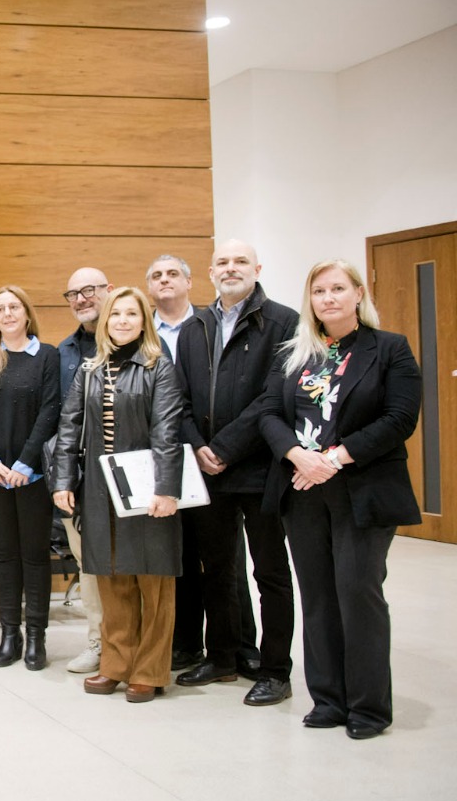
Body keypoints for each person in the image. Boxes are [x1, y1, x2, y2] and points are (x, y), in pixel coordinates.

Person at [258, 259, 420, 740]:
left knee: (357, 593)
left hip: (361, 490)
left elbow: (399, 419)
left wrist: (333, 459)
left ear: (357, 294)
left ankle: (369, 707)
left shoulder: (388, 349)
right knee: (319, 597)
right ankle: (328, 699)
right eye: (319, 291)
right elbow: (268, 412)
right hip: (302, 490)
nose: (328, 298)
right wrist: (296, 455)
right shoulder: (295, 353)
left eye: (337, 289)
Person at [174, 241, 300, 707]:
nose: (231, 269)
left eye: (240, 261)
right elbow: (180, 398)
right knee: (218, 570)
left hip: (260, 466)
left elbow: (275, 395)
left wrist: (224, 447)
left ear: (257, 269)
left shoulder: (284, 321)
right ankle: (223, 656)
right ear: (210, 272)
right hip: (207, 470)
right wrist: (200, 446)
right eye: (223, 263)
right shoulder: (194, 327)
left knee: (269, 571)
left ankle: (274, 669)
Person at [51, 286, 184, 703]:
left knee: (153, 579)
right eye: (115, 315)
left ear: (144, 320)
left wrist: (166, 488)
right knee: (111, 576)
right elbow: (69, 426)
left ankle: (149, 670)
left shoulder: (159, 366)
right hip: (100, 487)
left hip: (148, 486)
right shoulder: (90, 369)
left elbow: (167, 431)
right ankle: (116, 664)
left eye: (131, 314)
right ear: (104, 322)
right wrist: (62, 482)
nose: (122, 321)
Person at [0, 286, 61, 670]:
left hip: (30, 476)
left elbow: (51, 410)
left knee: (34, 557)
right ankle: (10, 635)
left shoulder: (46, 356)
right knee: (3, 555)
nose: (7, 314)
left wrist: (24, 463)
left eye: (13, 307)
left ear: (26, 312)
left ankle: (36, 637)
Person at [54, 266, 111, 673]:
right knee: (87, 564)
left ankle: (141, 645)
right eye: (72, 293)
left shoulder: (140, 346)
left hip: (125, 474)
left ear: (108, 291)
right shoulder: (64, 352)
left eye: (89, 290)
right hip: (78, 477)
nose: (81, 299)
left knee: (133, 565)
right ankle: (99, 641)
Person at [146, 254, 196, 363]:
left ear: (188, 282)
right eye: (157, 276)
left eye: (173, 274)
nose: (164, 280)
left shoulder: (209, 324)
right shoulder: (141, 331)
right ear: (149, 288)